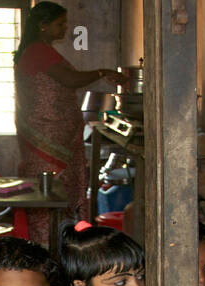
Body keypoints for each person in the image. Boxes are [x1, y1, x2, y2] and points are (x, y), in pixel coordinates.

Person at [14, 2, 124, 246]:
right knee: (49, 195)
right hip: (46, 135)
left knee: (55, 194)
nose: (65, 28)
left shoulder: (41, 49)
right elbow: (70, 79)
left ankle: (61, 246)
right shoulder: (38, 51)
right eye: (60, 23)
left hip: (50, 134)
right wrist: (102, 72)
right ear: (43, 25)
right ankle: (48, 248)